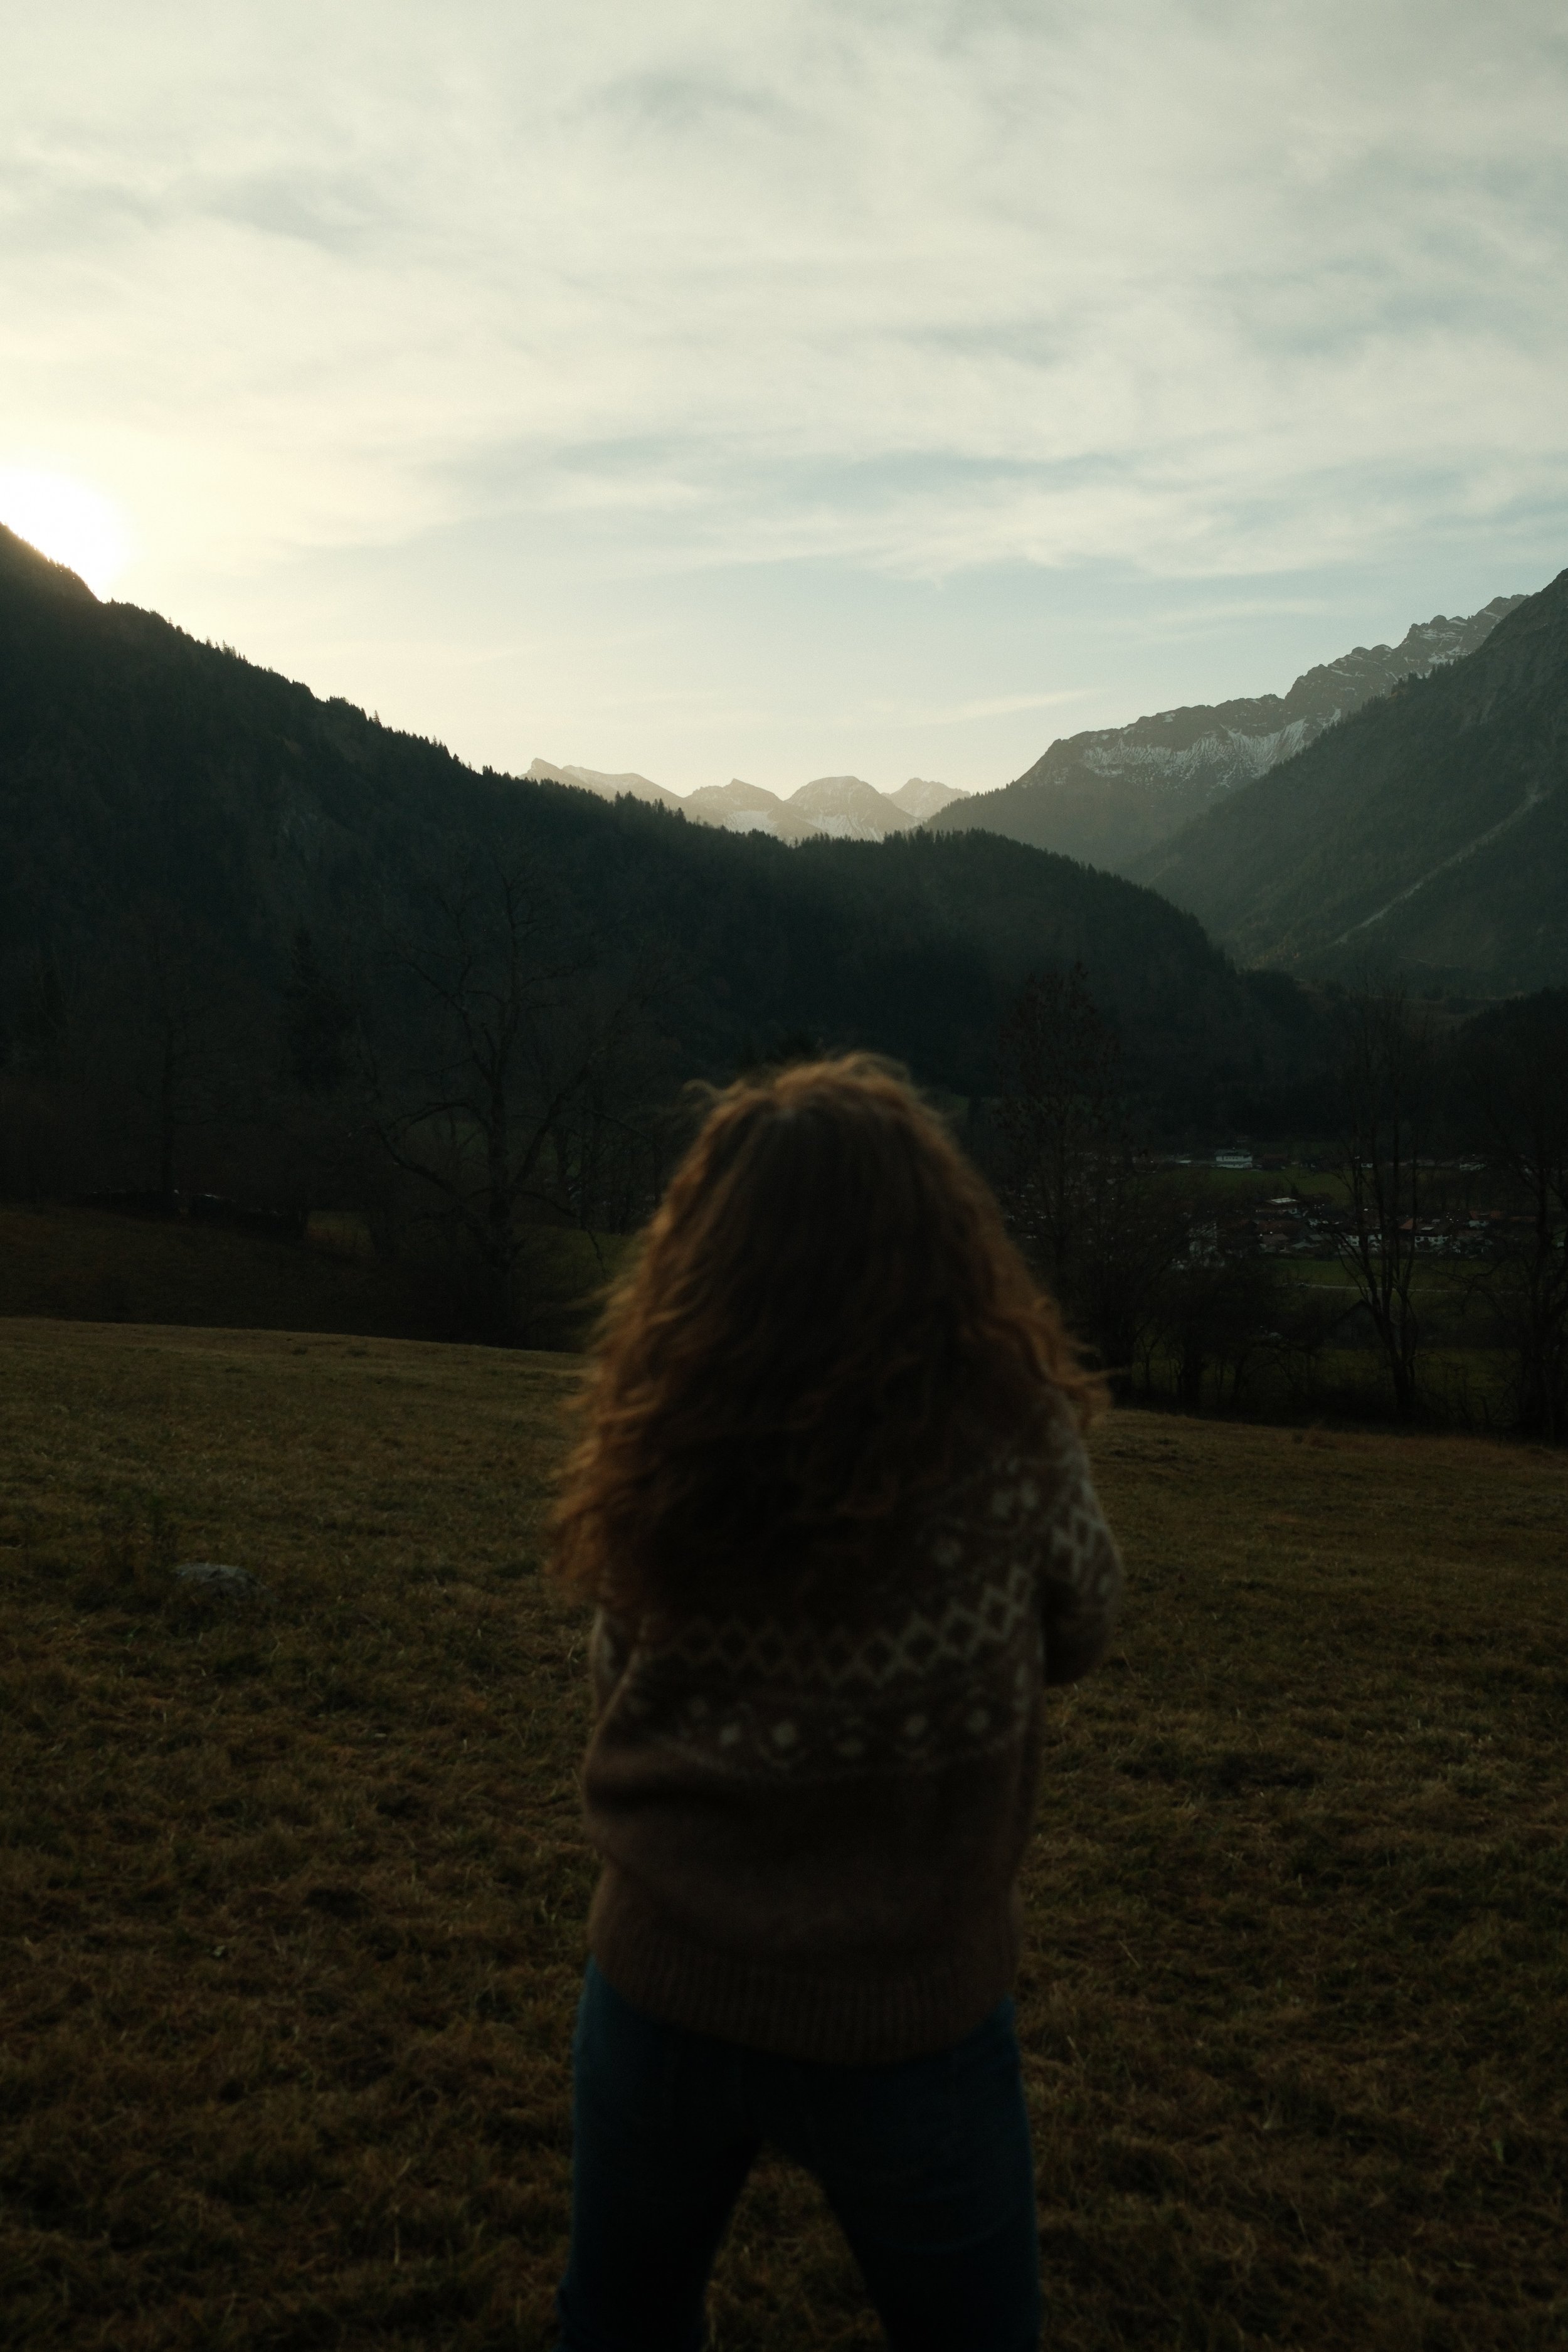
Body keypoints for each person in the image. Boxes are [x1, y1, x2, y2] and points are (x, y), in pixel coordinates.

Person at [548, 1056, 1124, 2351]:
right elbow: (1082, 1625)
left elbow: (615, 1676)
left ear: (709, 1250)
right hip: (909, 2015)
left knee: (618, 2324)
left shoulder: (667, 1438)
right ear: (937, 1238)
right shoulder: (1012, 1442)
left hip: (658, 1987)